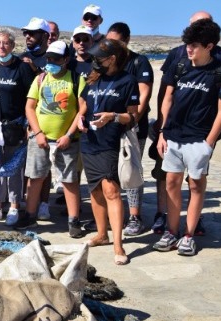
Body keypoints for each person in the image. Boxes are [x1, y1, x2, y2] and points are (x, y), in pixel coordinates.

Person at [153, 19, 221, 256]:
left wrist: (209, 142)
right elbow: (167, 98)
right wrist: (161, 131)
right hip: (173, 136)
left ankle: (188, 235)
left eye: (195, 45)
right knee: (171, 184)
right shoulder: (179, 67)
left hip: (199, 139)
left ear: (209, 46)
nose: (189, 49)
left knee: (196, 185)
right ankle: (171, 231)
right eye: (188, 43)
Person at [76, 39, 139, 266]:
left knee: (111, 190)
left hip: (111, 141)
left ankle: (118, 245)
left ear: (112, 59)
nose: (94, 61)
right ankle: (102, 234)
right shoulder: (93, 78)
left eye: (98, 58)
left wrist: (112, 116)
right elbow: (83, 102)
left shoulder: (127, 81)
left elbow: (133, 116)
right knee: (95, 190)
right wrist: (78, 117)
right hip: (89, 140)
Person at [23, 41, 85, 235]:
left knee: (69, 180)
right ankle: (30, 215)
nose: (51, 62)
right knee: (35, 178)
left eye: (55, 58)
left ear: (66, 59)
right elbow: (30, 107)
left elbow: (82, 108)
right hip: (40, 139)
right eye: (48, 58)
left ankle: (74, 221)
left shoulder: (76, 79)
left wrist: (69, 134)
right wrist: (38, 133)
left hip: (66, 141)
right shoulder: (40, 79)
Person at [0, 28, 34, 226]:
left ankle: (14, 206)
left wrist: (28, 125)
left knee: (14, 169)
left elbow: (31, 97)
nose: (1, 47)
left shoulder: (22, 68)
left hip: (15, 126)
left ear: (12, 45)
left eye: (5, 43)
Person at [106, 22, 154, 236]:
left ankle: (135, 216)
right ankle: (114, 215)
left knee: (131, 170)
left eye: (116, 41)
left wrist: (132, 121)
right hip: (108, 127)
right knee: (110, 172)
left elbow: (144, 94)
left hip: (132, 128)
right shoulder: (106, 61)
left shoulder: (139, 62)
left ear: (126, 41)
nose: (111, 45)